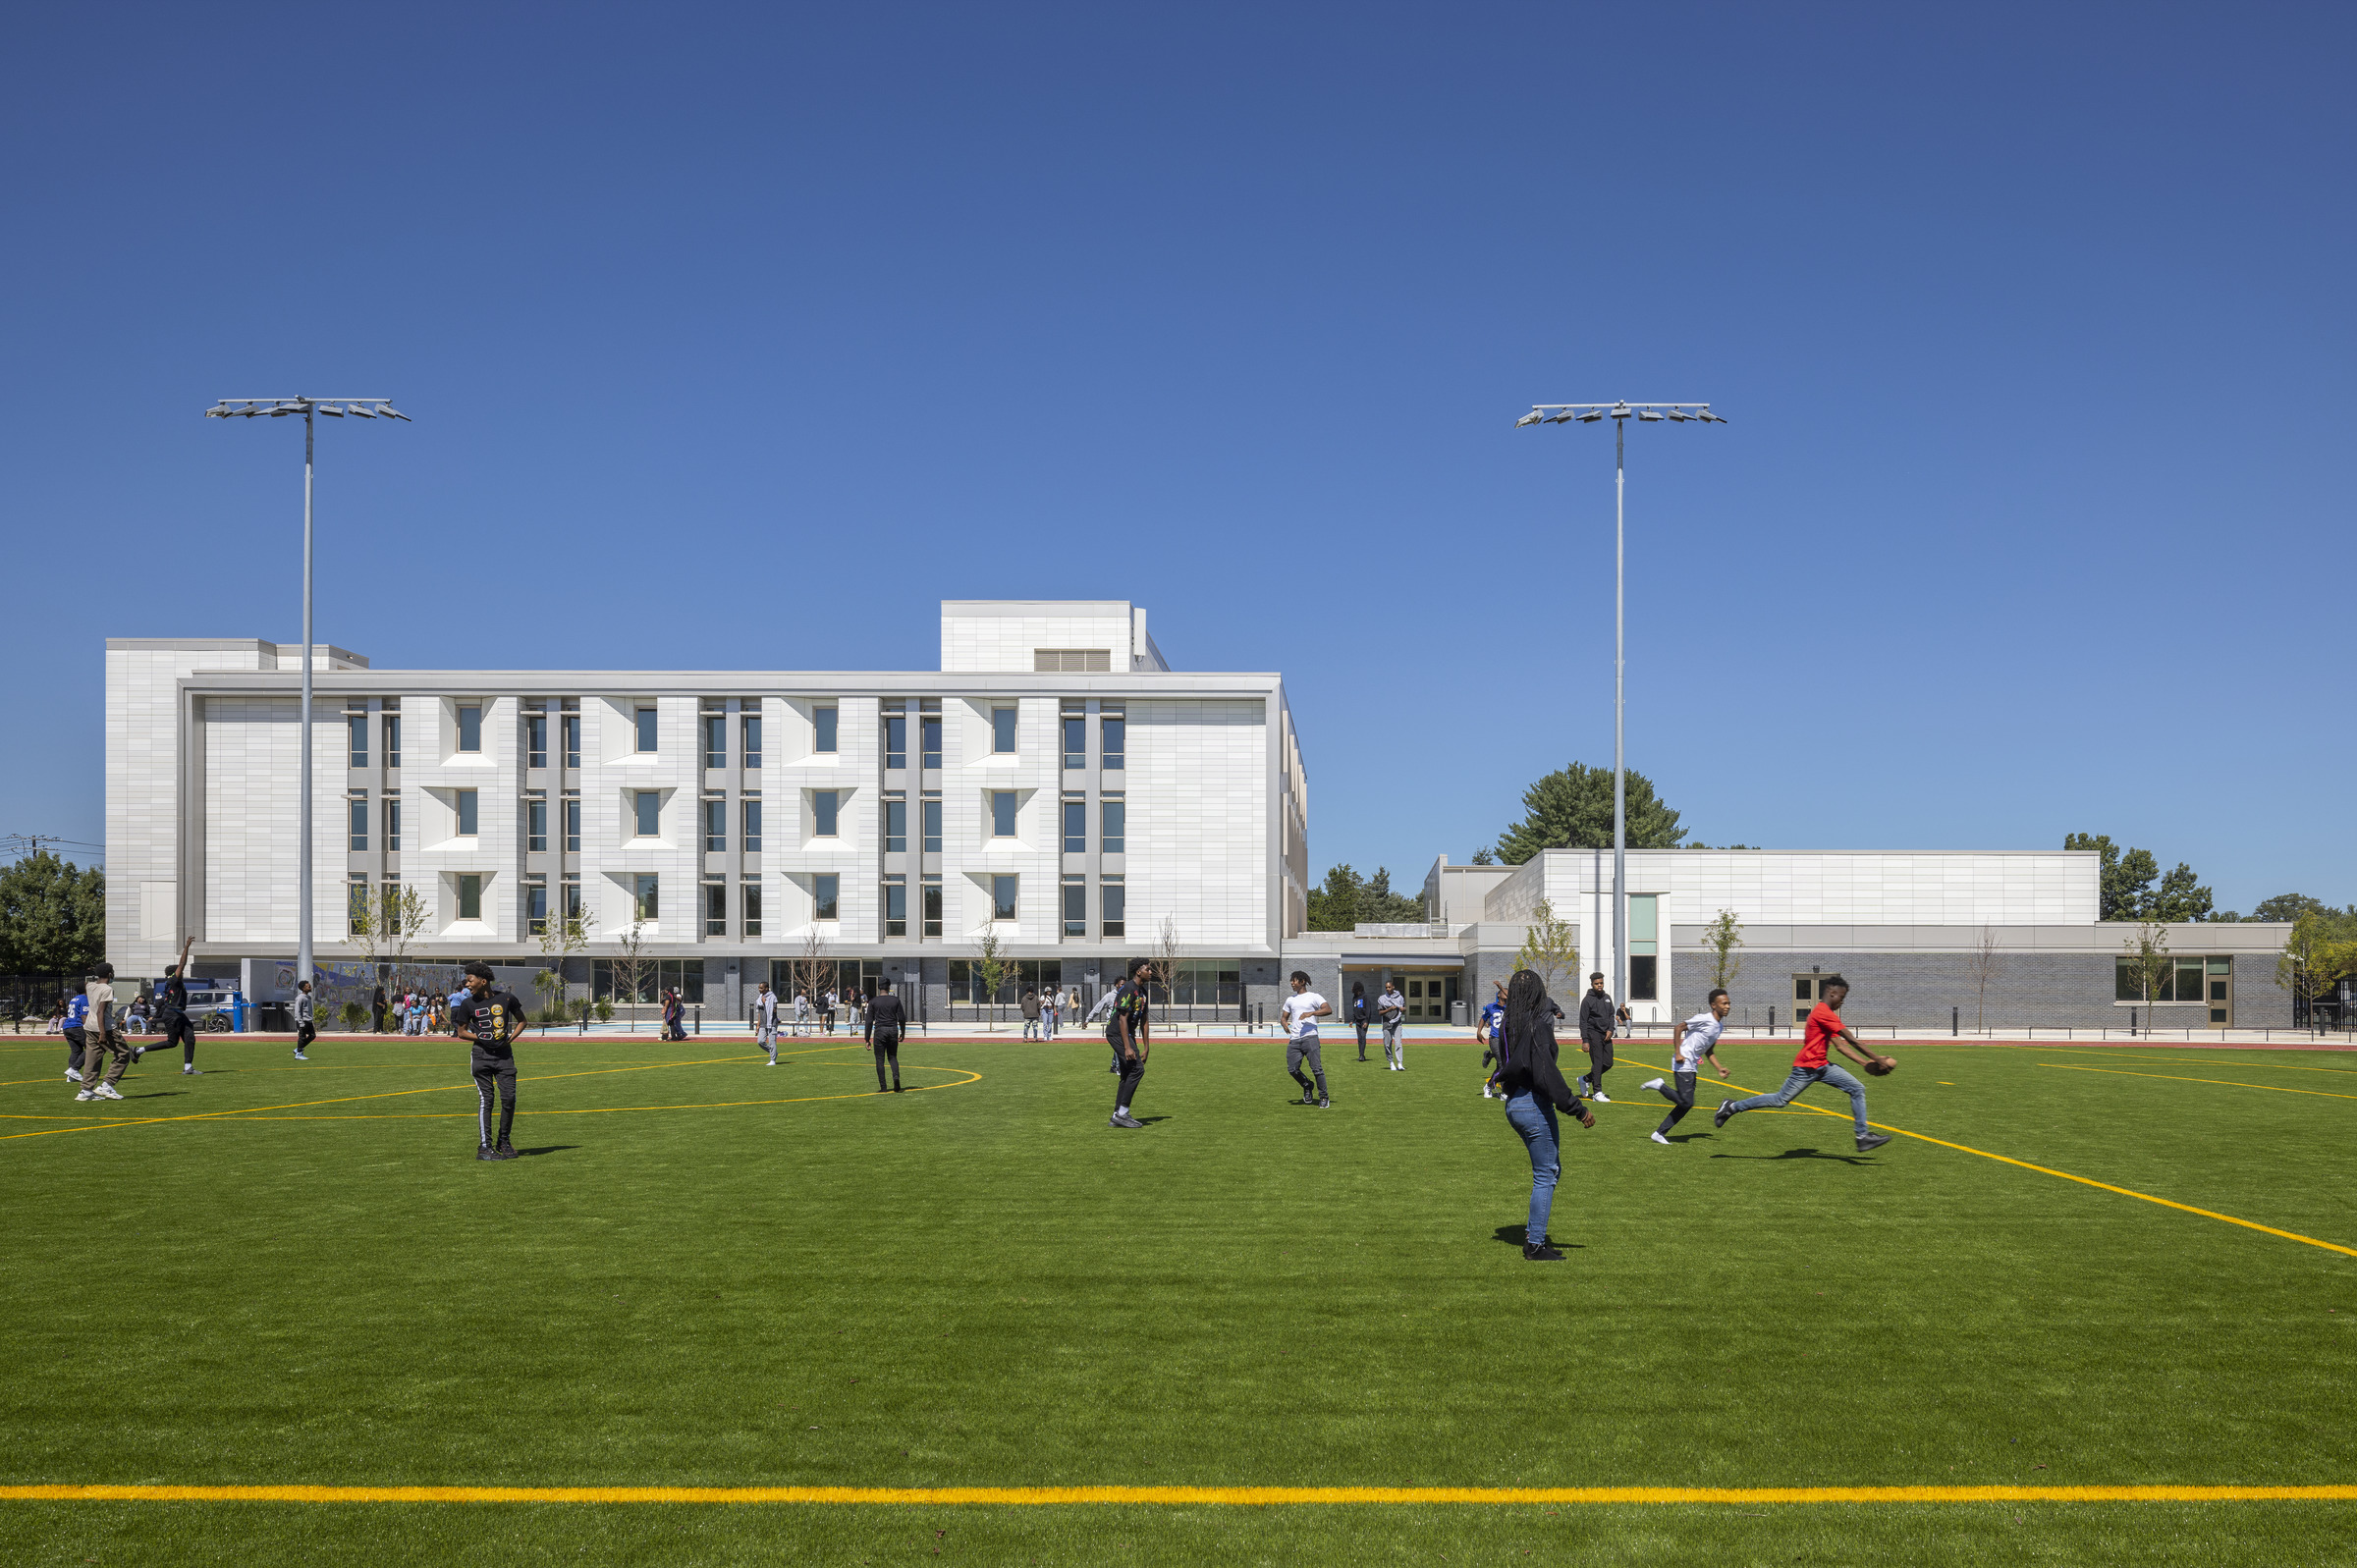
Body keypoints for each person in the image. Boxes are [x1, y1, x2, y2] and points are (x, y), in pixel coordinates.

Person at [1715, 975, 1895, 1154]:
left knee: (1857, 1088)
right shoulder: (1823, 1012)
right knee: (1779, 1100)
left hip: (1823, 1067)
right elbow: (1852, 1040)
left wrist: (1864, 1063)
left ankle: (1862, 1137)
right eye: (1842, 997)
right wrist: (1877, 1059)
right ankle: (1731, 1107)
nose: (1842, 1001)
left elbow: (1840, 1046)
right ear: (1832, 993)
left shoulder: (1825, 1014)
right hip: (1806, 1068)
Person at [1495, 969, 1594, 1262]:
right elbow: (1546, 1075)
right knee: (1546, 1174)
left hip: (1514, 1102)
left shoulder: (1508, 1024)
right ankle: (1535, 1244)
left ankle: (1533, 1234)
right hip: (1532, 1104)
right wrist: (1578, 1109)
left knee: (1550, 1170)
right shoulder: (1537, 1025)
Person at [453, 961, 528, 1161]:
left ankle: (503, 1141)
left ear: (482, 981)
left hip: (504, 1057)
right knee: (487, 1099)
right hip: (481, 1056)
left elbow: (522, 1021)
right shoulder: (467, 1004)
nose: (467, 984)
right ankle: (484, 1147)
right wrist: (481, 1038)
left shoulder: (506, 998)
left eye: (470, 980)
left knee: (509, 1099)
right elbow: (461, 1032)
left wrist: (510, 1039)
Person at [1642, 988, 1731, 1144]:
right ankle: (1660, 1085)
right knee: (1687, 1102)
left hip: (1691, 1064)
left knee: (1685, 1104)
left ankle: (1659, 1133)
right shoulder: (1704, 1019)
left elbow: (1709, 1050)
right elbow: (1679, 1027)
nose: (1727, 1006)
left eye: (1728, 1003)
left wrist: (1719, 1068)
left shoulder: (1719, 1027)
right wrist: (1678, 1052)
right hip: (1683, 1061)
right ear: (1713, 1005)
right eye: (1723, 1003)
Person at [1105, 957, 1155, 1129]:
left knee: (1127, 1074)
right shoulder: (1128, 989)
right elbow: (1122, 1019)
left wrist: (1147, 1047)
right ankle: (1123, 1113)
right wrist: (1127, 1047)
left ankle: (1116, 1115)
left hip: (1127, 1034)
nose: (1151, 972)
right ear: (1138, 971)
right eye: (1148, 969)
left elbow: (1145, 1020)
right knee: (1137, 1069)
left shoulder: (1143, 992)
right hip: (1117, 1034)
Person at [75, 962, 132, 1102]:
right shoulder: (107, 989)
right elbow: (101, 1011)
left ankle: (86, 1091)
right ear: (110, 974)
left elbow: (83, 983)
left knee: (92, 1058)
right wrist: (103, 1033)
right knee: (123, 1054)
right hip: (104, 1027)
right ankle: (107, 1085)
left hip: (89, 1026)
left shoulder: (90, 986)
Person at [1277, 971, 1333, 1108]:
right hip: (1295, 1039)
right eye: (1291, 981)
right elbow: (1284, 1017)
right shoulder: (1290, 999)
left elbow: (1328, 1009)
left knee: (1317, 1069)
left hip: (1310, 1037)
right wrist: (1284, 1023)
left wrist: (1311, 1013)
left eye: (1294, 980)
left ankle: (1324, 1097)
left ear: (1302, 981)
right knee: (1292, 1069)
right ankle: (1307, 1085)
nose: (1292, 983)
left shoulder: (1314, 997)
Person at [156, 937, 200, 1075]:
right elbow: (182, 963)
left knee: (189, 1036)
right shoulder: (174, 981)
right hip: (173, 1013)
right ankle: (139, 1050)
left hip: (178, 1013)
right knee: (172, 1042)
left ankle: (188, 1067)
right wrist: (186, 946)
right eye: (180, 971)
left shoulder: (172, 983)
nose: (182, 973)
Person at [1576, 972, 1617, 1102]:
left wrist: (1611, 1029)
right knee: (1597, 1064)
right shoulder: (1587, 1000)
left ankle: (1585, 1079)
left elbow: (1611, 1015)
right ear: (1592, 984)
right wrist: (1585, 1040)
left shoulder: (1607, 998)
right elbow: (1583, 1021)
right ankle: (1597, 1093)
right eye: (1596, 983)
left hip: (1606, 1034)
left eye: (1601, 983)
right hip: (1593, 1033)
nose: (1599, 985)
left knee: (1608, 1063)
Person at [867, 985, 908, 1093]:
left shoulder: (873, 1001)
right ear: (889, 987)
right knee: (892, 1057)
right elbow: (902, 1018)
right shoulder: (895, 1000)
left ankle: (883, 1087)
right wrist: (903, 1032)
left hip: (880, 1030)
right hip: (892, 1029)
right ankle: (896, 1078)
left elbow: (869, 1021)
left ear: (878, 987)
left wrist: (867, 1039)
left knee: (880, 1059)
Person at [1476, 980, 1508, 1099]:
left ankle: (1489, 1085)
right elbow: (1483, 1018)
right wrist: (1479, 1032)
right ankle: (1501, 1090)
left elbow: (1510, 996)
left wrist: (1501, 986)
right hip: (1495, 1038)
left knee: (1506, 1064)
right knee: (1502, 1065)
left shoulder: (1509, 1007)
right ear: (1498, 994)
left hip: (1507, 1039)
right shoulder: (1491, 1007)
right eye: (1503, 992)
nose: (1506, 994)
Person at [1378, 979, 1406, 1070]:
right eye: (1386, 987)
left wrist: (1403, 1009)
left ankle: (1400, 1063)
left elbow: (1404, 1008)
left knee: (1398, 1043)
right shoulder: (1382, 999)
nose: (1388, 989)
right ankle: (1391, 1062)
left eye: (1389, 987)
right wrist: (1390, 1009)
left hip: (1397, 1022)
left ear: (1393, 987)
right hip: (1387, 1023)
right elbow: (1380, 1013)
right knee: (1387, 1044)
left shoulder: (1400, 998)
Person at [61, 992, 86, 1083]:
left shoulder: (74, 999)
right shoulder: (84, 999)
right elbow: (84, 1015)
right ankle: (74, 1069)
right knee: (91, 1048)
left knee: (76, 1051)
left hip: (67, 1026)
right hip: (77, 1026)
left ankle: (71, 1076)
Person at [754, 980, 781, 1064]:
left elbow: (774, 1011)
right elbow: (759, 1013)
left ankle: (772, 1060)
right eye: (759, 988)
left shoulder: (772, 997)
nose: (759, 989)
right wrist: (758, 1025)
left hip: (771, 1023)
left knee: (772, 1041)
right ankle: (773, 1052)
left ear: (766, 988)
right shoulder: (759, 998)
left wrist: (766, 1003)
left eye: (761, 988)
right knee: (760, 1041)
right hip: (762, 1023)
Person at [293, 980, 315, 1059]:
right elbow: (297, 1011)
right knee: (302, 1037)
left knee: (312, 1036)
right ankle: (299, 1054)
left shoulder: (308, 997)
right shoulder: (300, 998)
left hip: (308, 1020)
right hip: (302, 1021)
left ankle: (298, 1049)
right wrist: (300, 1022)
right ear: (303, 988)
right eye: (308, 986)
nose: (310, 987)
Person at [1348, 982, 1371, 1060]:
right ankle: (1361, 1055)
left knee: (1363, 1037)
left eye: (1353, 987)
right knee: (1359, 1038)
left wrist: (1366, 1021)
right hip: (1357, 1021)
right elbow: (1355, 1010)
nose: (1351, 988)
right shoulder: (1354, 998)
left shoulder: (1365, 997)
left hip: (1364, 1021)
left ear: (1357, 988)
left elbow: (1368, 1010)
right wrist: (1352, 1020)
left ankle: (1362, 1055)